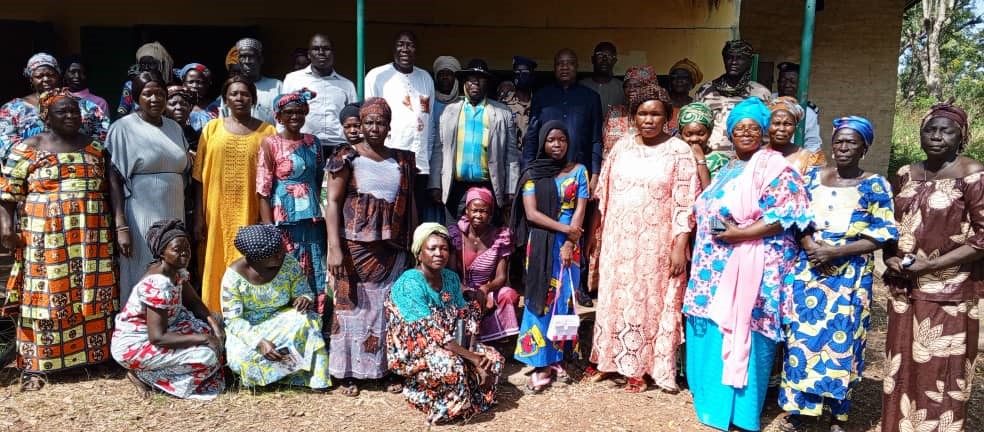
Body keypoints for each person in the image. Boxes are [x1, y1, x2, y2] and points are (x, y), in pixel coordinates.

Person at [682, 97, 811, 432]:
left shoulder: (775, 167)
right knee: (715, 327)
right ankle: (711, 402)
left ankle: (739, 412)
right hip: (714, 267)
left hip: (755, 266)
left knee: (746, 328)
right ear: (730, 133)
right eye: (739, 128)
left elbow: (786, 214)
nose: (746, 133)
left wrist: (739, 234)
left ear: (764, 132)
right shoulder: (727, 166)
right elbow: (712, 201)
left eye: (754, 128)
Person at [0, 89, 129, 391]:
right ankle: (37, 364)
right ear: (46, 116)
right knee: (44, 295)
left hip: (92, 237)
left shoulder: (96, 148)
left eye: (75, 111)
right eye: (63, 112)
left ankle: (95, 357)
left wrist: (120, 223)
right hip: (44, 238)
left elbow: (112, 188)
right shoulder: (27, 149)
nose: (71, 116)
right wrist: (6, 227)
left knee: (93, 292)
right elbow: (6, 193)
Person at [777, 116, 897, 432]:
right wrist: (810, 247)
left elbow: (884, 233)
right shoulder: (813, 178)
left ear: (865, 147)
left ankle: (837, 414)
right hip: (809, 270)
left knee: (842, 342)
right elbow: (796, 217)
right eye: (839, 141)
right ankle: (801, 412)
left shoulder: (875, 184)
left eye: (852, 142)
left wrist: (834, 252)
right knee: (801, 341)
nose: (843, 147)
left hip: (849, 275)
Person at [587, 83, 699, 392]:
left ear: (667, 118)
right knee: (615, 299)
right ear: (633, 116)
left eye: (655, 114)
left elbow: (685, 202)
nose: (648, 120)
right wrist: (595, 238)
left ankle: (642, 367)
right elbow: (603, 194)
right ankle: (609, 361)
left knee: (647, 302)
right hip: (617, 241)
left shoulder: (679, 152)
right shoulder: (622, 146)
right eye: (642, 113)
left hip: (656, 245)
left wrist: (680, 245)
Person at [880, 101, 983, 432]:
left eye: (946, 131)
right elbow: (890, 227)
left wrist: (931, 265)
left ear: (961, 136)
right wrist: (889, 256)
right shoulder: (906, 174)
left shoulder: (973, 174)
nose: (936, 136)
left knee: (941, 369)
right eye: (930, 129)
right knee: (902, 361)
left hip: (949, 293)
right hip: (905, 288)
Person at [324, 98, 415, 396]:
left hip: (392, 247)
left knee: (387, 308)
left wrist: (413, 242)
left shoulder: (401, 159)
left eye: (381, 123)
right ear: (360, 125)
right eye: (369, 123)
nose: (375, 128)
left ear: (389, 127)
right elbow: (333, 203)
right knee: (352, 308)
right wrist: (334, 248)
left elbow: (410, 203)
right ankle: (348, 372)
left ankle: (387, 369)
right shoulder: (346, 157)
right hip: (354, 246)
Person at [385, 223, 504, 425]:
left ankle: (468, 397)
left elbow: (466, 317)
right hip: (416, 350)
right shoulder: (409, 283)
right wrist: (471, 359)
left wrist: (475, 352)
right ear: (419, 253)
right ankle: (422, 394)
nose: (439, 253)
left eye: (444, 248)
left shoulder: (450, 278)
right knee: (451, 364)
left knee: (493, 358)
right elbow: (431, 333)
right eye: (432, 248)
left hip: (451, 344)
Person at [511, 120, 589, 393]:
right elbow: (531, 214)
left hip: (571, 244)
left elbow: (580, 209)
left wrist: (571, 239)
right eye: (551, 140)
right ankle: (539, 361)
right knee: (539, 297)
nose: (557, 145)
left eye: (562, 140)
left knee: (564, 299)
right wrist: (564, 229)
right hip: (543, 243)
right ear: (543, 142)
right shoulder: (532, 172)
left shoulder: (579, 171)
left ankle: (557, 356)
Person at [112, 219, 225, 400]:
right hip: (137, 343)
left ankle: (161, 371)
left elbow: (194, 303)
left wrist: (215, 328)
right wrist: (204, 338)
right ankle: (144, 375)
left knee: (217, 322)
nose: (184, 254)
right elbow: (157, 337)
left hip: (169, 328)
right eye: (176, 250)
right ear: (162, 253)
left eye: (186, 249)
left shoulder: (176, 271)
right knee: (207, 357)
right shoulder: (157, 284)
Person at [192, 75, 277, 312]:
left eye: (245, 94)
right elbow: (198, 177)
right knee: (214, 262)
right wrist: (199, 216)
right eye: (234, 94)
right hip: (215, 214)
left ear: (254, 99)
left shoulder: (267, 131)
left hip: (250, 213)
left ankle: (246, 317)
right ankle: (215, 317)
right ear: (225, 99)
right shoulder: (211, 128)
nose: (239, 98)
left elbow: (270, 180)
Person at [108, 70, 191, 301]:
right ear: (136, 98)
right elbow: (114, 177)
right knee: (143, 264)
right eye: (148, 94)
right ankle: (139, 325)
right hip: (139, 210)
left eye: (160, 94)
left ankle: (172, 317)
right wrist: (121, 225)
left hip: (173, 207)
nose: (155, 99)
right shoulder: (122, 128)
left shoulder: (174, 128)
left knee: (173, 261)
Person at [221, 224, 331, 389]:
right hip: (249, 329)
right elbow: (233, 320)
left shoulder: (288, 263)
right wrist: (259, 342)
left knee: (308, 319)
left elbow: (304, 291)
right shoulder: (233, 277)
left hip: (282, 321)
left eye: (281, 249)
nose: (282, 254)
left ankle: (307, 378)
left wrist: (304, 298)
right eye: (275, 253)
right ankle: (273, 378)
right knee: (238, 359)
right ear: (256, 258)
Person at [584, 65, 656, 293]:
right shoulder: (615, 112)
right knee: (602, 235)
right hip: (612, 189)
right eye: (629, 86)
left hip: (645, 194)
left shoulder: (657, 118)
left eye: (639, 86)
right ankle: (601, 286)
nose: (633, 91)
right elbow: (601, 145)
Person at [257, 89, 326, 303]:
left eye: (299, 112)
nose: (295, 116)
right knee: (288, 260)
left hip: (312, 214)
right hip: (284, 214)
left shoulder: (313, 142)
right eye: (288, 112)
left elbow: (319, 177)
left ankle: (317, 312)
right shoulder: (270, 143)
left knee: (315, 261)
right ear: (278, 116)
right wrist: (268, 226)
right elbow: (263, 187)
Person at [430, 59, 519, 220]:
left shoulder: (502, 113)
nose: (475, 83)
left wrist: (511, 188)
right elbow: (438, 150)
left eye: (481, 79)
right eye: (471, 78)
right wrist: (436, 184)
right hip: (454, 188)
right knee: (455, 237)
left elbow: (511, 154)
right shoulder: (448, 111)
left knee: (486, 239)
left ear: (487, 83)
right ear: (464, 82)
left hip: (489, 185)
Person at [364, 30, 437, 222]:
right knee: (389, 214)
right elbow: (369, 121)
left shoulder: (426, 78)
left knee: (414, 217)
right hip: (389, 160)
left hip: (419, 164)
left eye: (410, 45)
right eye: (401, 44)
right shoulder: (377, 76)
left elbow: (429, 125)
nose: (405, 49)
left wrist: (426, 159)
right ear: (393, 48)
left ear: (416, 50)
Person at [1, 53, 109, 162]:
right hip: (31, 171)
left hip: (79, 166)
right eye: (39, 76)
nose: (46, 79)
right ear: (31, 79)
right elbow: (6, 145)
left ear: (59, 76)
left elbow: (103, 137)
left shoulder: (85, 106)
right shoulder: (12, 110)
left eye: (51, 75)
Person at [448, 187, 520, 342]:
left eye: (484, 211)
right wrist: (466, 291)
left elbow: (501, 277)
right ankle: (466, 335)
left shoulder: (500, 237)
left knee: (509, 294)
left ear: (490, 214)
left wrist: (486, 289)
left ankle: (495, 334)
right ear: (467, 211)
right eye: (475, 210)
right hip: (461, 289)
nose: (479, 215)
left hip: (487, 289)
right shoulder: (456, 235)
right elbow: (452, 273)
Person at [282, 34, 358, 158]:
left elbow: (354, 120)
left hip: (338, 148)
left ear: (333, 53)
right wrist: (283, 144)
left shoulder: (347, 85)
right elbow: (282, 114)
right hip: (302, 145)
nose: (321, 52)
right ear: (309, 54)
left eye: (326, 49)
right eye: (316, 49)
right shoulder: (293, 80)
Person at [695, 40, 772, 152]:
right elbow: (695, 125)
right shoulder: (706, 91)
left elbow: (767, 132)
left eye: (739, 58)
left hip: (748, 159)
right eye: (729, 57)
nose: (733, 62)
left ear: (749, 62)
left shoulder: (761, 93)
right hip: (712, 157)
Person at [214, 38, 283, 125]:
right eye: (243, 57)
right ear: (239, 61)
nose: (247, 61)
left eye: (251, 56)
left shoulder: (277, 86)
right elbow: (222, 120)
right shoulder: (232, 87)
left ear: (260, 59)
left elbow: (284, 119)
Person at [768, 96, 826, 174]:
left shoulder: (809, 160)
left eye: (787, 124)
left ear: (796, 126)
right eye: (776, 123)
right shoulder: (757, 156)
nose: (782, 129)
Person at [117, 42, 173, 117]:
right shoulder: (131, 85)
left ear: (161, 64)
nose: (146, 68)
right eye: (143, 64)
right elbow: (122, 110)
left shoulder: (171, 84)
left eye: (152, 64)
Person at [678, 102, 727, 188]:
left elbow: (711, 194)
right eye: (688, 135)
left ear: (710, 133)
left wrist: (701, 160)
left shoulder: (720, 161)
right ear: (681, 134)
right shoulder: (675, 158)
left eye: (701, 134)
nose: (694, 139)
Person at [775, 62, 821, 152]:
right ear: (777, 82)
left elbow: (812, 143)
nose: (787, 85)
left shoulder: (808, 112)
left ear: (800, 84)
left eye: (792, 82)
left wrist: (803, 161)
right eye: (783, 81)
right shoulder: (767, 103)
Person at [500, 56, 537, 150]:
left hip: (533, 160)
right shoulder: (503, 105)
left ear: (532, 76)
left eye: (525, 73)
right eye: (517, 73)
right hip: (510, 159)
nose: (520, 77)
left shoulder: (539, 104)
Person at [579, 42, 624, 115]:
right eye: (600, 55)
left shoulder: (622, 89)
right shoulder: (581, 86)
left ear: (614, 61)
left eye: (609, 56)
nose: (604, 59)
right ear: (593, 59)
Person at [667, 58, 703, 135]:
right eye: (675, 77)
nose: (679, 80)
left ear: (692, 82)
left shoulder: (696, 107)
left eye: (684, 77)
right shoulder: (661, 104)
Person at [177, 63, 215, 133]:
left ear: (207, 85)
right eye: (191, 82)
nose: (194, 86)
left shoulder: (216, 106)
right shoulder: (177, 106)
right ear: (183, 83)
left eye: (199, 82)